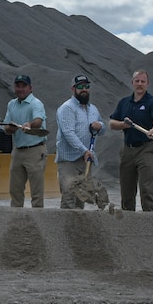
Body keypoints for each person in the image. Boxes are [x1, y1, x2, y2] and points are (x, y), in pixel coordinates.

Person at [109, 70, 153, 211]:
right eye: (137, 81)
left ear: (147, 83)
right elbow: (112, 123)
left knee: (148, 188)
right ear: (132, 83)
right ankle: (128, 222)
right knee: (127, 189)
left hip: (147, 149)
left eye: (143, 81)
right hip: (128, 149)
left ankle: (149, 221)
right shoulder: (124, 103)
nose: (140, 84)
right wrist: (123, 125)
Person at [55, 74, 103, 209]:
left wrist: (100, 126)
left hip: (86, 160)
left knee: (81, 197)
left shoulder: (93, 109)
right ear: (73, 89)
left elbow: (102, 128)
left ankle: (78, 228)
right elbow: (68, 133)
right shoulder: (67, 108)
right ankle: (66, 229)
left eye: (87, 86)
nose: (84, 89)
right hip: (69, 161)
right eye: (80, 86)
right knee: (69, 196)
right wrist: (84, 150)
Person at [2, 74, 47, 207]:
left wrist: (30, 125)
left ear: (30, 88)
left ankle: (38, 220)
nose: (20, 89)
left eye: (24, 86)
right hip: (17, 150)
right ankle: (16, 220)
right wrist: (10, 128)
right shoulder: (11, 104)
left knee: (36, 192)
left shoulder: (36, 103)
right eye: (18, 86)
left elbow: (38, 121)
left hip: (35, 150)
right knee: (15, 190)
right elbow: (6, 128)